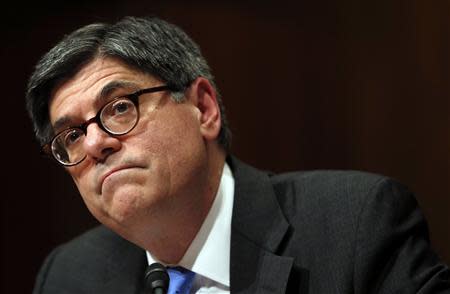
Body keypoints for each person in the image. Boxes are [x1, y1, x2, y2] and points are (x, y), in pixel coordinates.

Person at [26, 16, 449, 294]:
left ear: (204, 109)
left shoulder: (356, 226)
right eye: (72, 135)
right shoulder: (69, 277)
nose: (96, 143)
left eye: (120, 107)